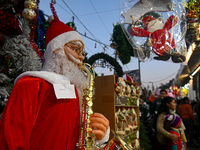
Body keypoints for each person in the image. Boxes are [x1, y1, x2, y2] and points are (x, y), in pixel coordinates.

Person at [0, 18, 110, 149]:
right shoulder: (30, 84)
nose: (81, 58)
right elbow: (11, 141)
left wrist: (99, 135)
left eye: (82, 53)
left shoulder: (77, 92)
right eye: (75, 49)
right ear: (56, 50)